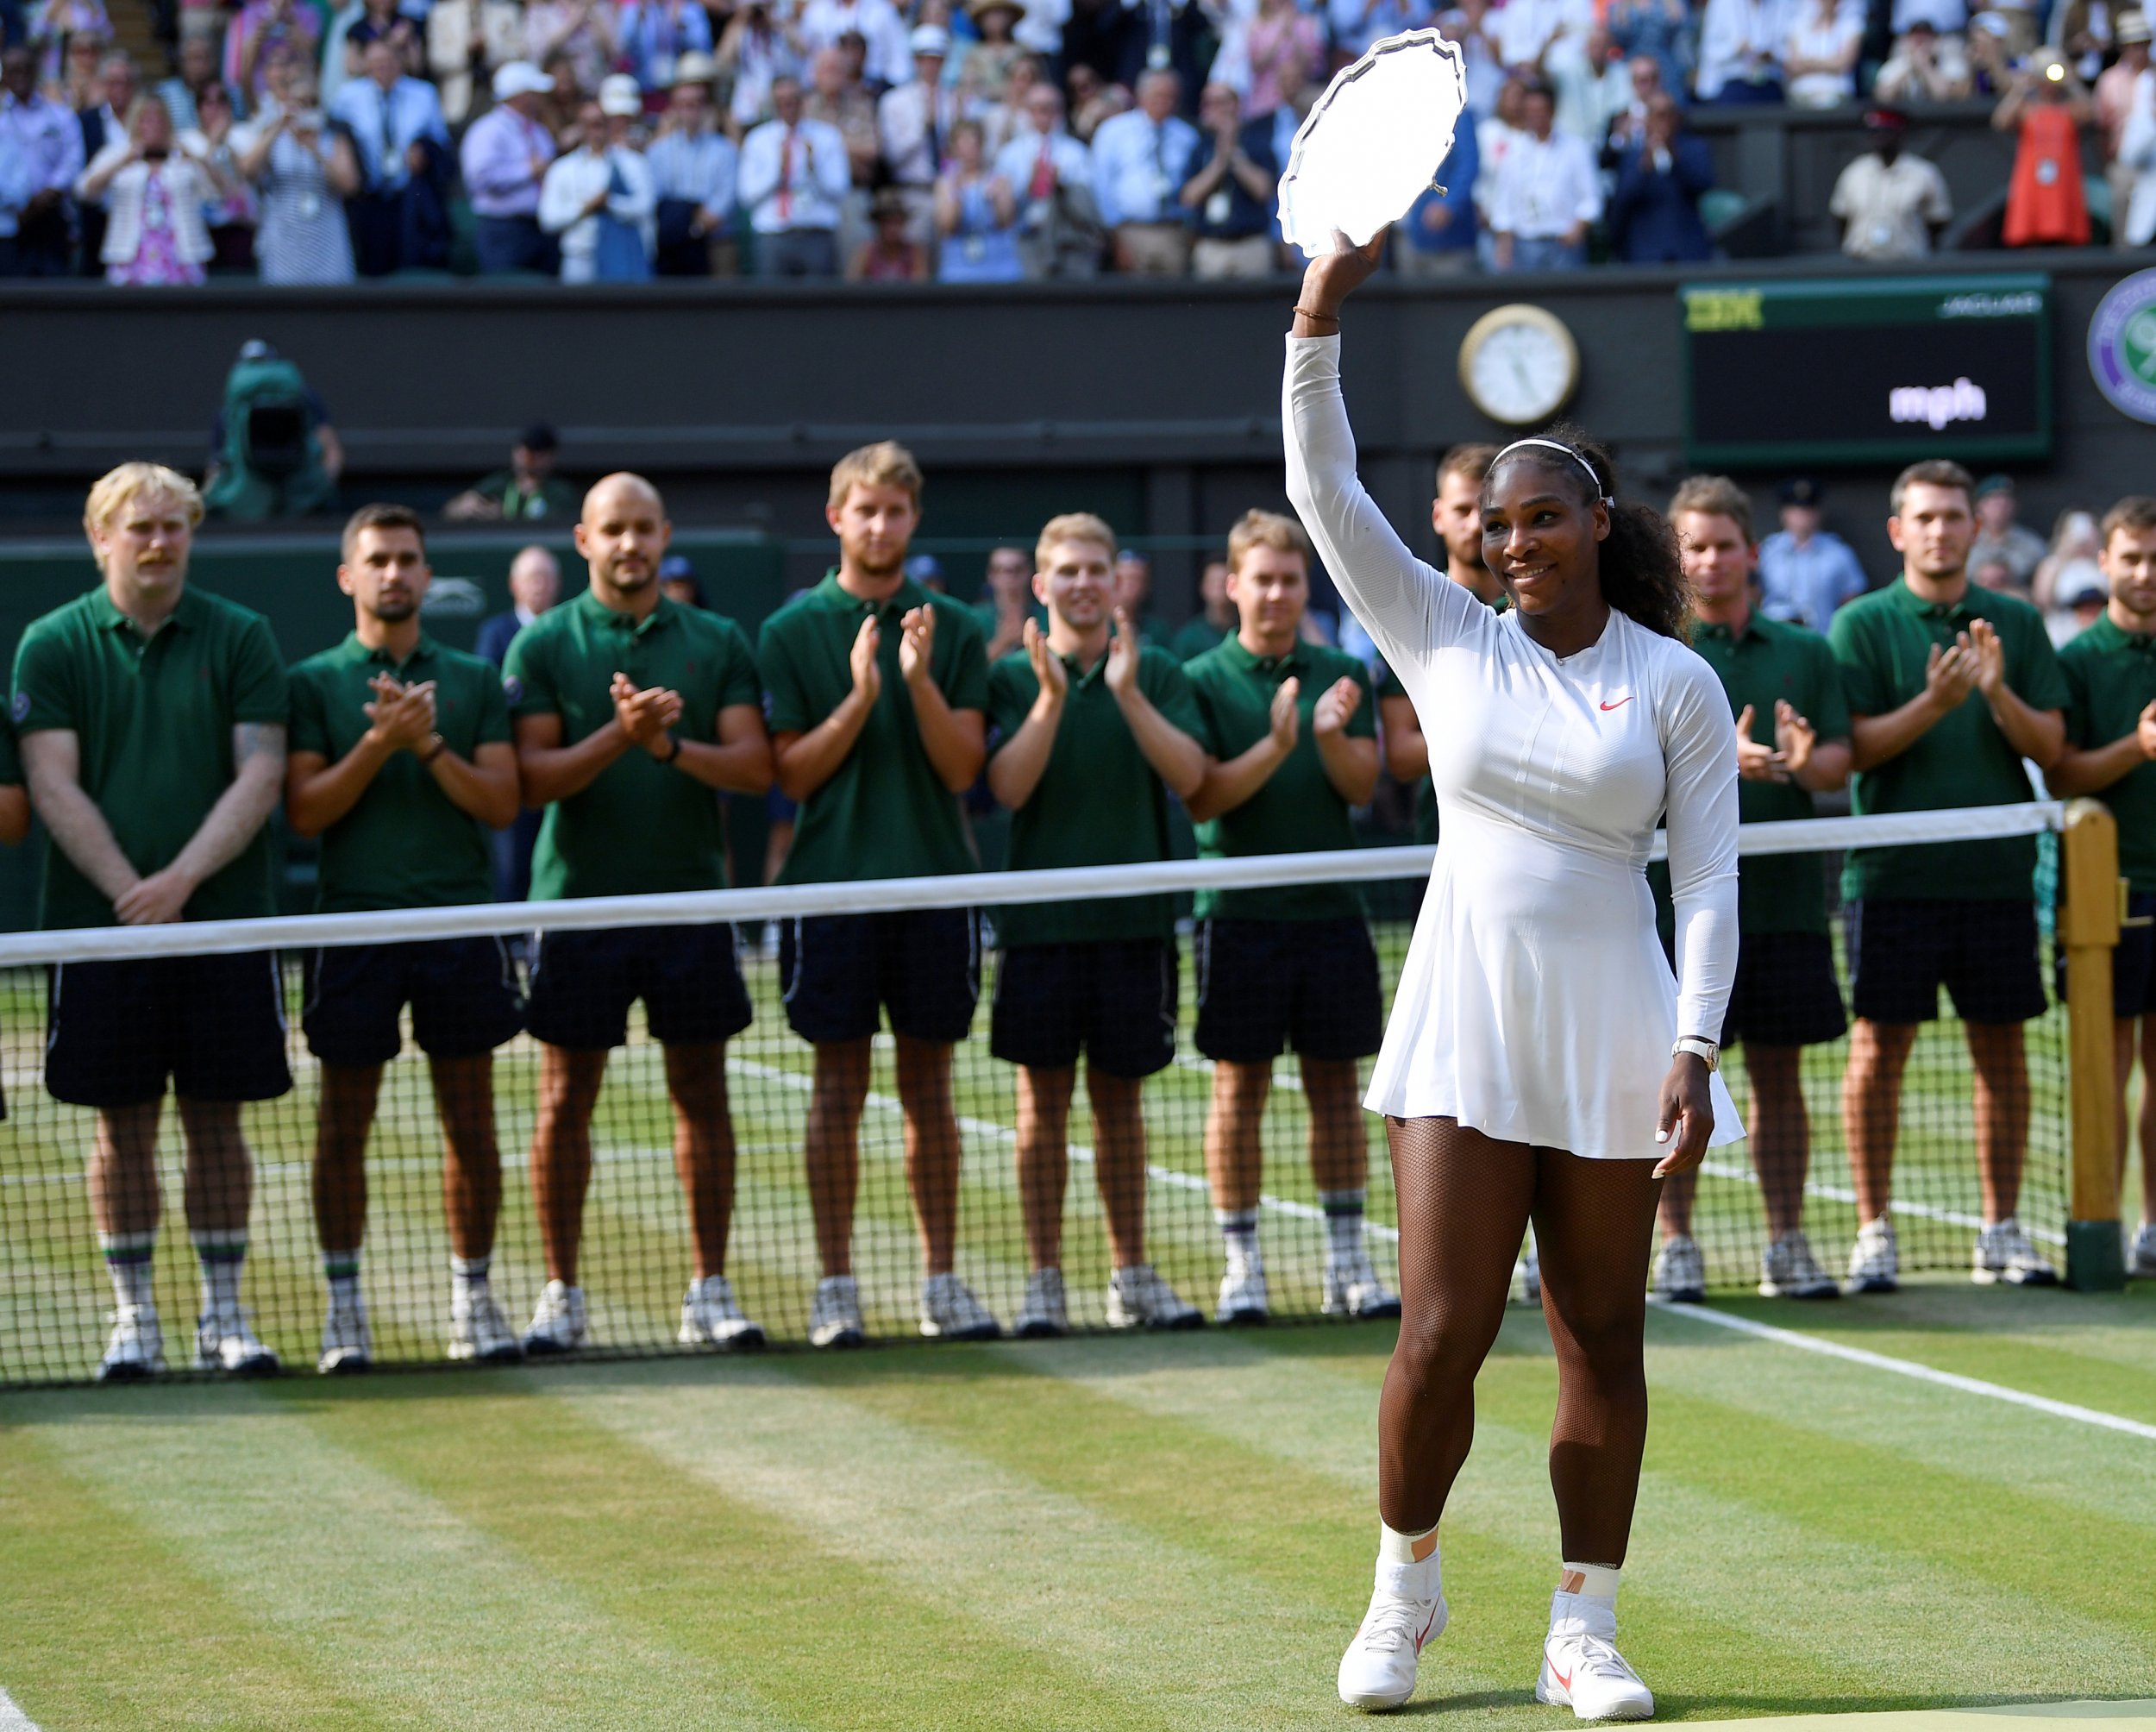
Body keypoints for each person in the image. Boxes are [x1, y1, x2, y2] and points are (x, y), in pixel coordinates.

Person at [1282, 235, 1740, 1721]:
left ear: (1600, 522)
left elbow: (1711, 877)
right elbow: (1323, 495)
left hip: (1615, 1029)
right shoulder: (1441, 634)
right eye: (1496, 523)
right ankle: (1400, 1597)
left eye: (1546, 516)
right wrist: (1318, 316)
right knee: (1440, 1330)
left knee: (1605, 1332)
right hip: (1463, 1021)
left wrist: (1696, 1041)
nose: (1516, 540)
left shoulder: (1676, 681)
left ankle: (1580, 1630)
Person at [14, 462, 292, 1381]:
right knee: (120, 1129)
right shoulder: (51, 646)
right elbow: (51, 781)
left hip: (221, 928)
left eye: (174, 527)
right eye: (140, 529)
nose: (159, 543)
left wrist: (178, 881)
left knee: (219, 1124)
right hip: (98, 936)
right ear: (102, 538)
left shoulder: (243, 635)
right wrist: (131, 889)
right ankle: (134, 1317)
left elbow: (260, 773)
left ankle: (223, 1313)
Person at [505, 473, 774, 1353]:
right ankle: (562, 1292)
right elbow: (530, 781)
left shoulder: (717, 638)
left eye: (644, 529)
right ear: (584, 540)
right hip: (577, 906)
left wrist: (664, 746)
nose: (630, 545)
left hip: (690, 903)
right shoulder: (544, 643)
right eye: (612, 530)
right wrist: (619, 738)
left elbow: (751, 768)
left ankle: (709, 1287)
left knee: (702, 1093)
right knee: (564, 1097)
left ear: (664, 536)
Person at [757, 440, 1000, 1346]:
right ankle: (835, 1285)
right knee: (836, 1091)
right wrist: (860, 697)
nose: (880, 525)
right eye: (865, 510)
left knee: (931, 1093)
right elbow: (792, 772)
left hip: (935, 891)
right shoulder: (789, 630)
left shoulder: (957, 626)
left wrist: (914, 683)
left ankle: (940, 1280)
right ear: (837, 519)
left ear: (912, 520)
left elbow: (962, 766)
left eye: (895, 511)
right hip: (830, 895)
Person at [285, 505, 524, 1372]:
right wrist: (379, 742)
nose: (394, 573)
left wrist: (426, 748)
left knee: (471, 1121)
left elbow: (501, 804)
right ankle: (345, 1307)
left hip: (457, 926)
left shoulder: (469, 677)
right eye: (377, 560)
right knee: (343, 1125)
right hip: (354, 929)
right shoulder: (312, 681)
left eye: (408, 560)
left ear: (428, 576)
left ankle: (474, 1298)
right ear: (349, 576)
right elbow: (305, 810)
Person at [1827, 460, 2067, 1294]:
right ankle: (1873, 1233)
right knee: (1877, 1053)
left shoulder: (2015, 623)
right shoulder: (1859, 625)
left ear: (1976, 528)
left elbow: (2053, 751)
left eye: (1954, 516)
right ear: (1898, 531)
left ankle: (2000, 1230)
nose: (1939, 530)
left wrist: (1996, 693)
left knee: (2004, 1055)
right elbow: (1846, 752)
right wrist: (1932, 704)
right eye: (1923, 517)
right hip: (1891, 880)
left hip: (1997, 878)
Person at [984, 512, 1209, 1335]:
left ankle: (1130, 1274)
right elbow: (1006, 790)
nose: (1083, 583)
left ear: (1118, 583)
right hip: (1038, 932)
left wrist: (1124, 691)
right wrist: (1050, 699)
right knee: (1039, 1111)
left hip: (1134, 928)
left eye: (1096, 570)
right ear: (1040, 586)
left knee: (1122, 1111)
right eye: (1066, 571)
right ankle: (1044, 1280)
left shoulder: (1159, 673)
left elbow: (1190, 775)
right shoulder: (1008, 679)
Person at [1181, 511, 1399, 1327]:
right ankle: (1244, 1265)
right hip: (1237, 916)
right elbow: (1204, 796)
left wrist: (1328, 734)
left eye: (1289, 580)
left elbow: (1360, 787)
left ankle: (1347, 1261)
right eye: (1260, 579)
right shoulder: (1200, 676)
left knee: (1338, 1091)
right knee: (1238, 1092)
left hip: (1330, 912)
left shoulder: (1343, 670)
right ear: (1232, 585)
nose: (1275, 594)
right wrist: (1274, 747)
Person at [1648, 478, 1850, 1305]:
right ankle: (1676, 1246)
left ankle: (1787, 1243)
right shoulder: (1650, 650)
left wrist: (1801, 763)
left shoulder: (1807, 650)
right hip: (1675, 914)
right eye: (1692, 546)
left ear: (1751, 553)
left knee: (1778, 1080)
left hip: (1785, 907)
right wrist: (1716, 762)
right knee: (1670, 1081)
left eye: (1723, 545)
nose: (1709, 560)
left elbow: (1837, 762)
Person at [2046, 496, 2156, 1279]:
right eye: (2133, 559)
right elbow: (2065, 773)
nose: (2146, 574)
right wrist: (2141, 746)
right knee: (2106, 1063)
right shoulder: (2078, 660)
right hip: (2105, 895)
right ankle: (2104, 1222)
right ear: (2107, 564)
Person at [74, 92, 229, 285]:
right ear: (136, 123)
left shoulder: (184, 155)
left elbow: (221, 192)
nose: (153, 127)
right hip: (130, 257)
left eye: (159, 120)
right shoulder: (118, 153)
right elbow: (85, 191)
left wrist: (195, 158)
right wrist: (123, 160)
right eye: (146, 120)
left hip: (181, 257)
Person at [478, 544, 560, 904]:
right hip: (512, 771)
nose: (538, 586)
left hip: (562, 772)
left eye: (544, 578)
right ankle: (513, 943)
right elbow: (490, 697)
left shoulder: (566, 630)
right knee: (513, 862)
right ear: (514, 585)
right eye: (531, 578)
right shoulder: (495, 632)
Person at [331, 36, 448, 276]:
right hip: (368, 197)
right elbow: (335, 140)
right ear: (365, 64)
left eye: (388, 60)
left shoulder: (423, 93)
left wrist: (423, 152)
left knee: (409, 266)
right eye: (375, 61)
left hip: (408, 197)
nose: (382, 67)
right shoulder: (347, 96)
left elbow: (441, 143)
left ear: (400, 62)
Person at [238, 65, 360, 285]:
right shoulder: (273, 137)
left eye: (312, 102)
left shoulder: (332, 138)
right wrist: (279, 125)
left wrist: (315, 150)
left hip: (326, 245)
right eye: (300, 103)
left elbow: (349, 184)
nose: (306, 110)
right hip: (284, 246)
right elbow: (247, 170)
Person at [202, 337, 342, 521]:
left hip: (245, 508)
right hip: (305, 505)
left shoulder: (230, 405)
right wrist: (321, 487)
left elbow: (217, 465)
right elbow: (332, 450)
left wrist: (208, 499)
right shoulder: (305, 397)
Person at [539, 85, 655, 282]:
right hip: (579, 259)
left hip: (623, 257)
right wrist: (585, 208)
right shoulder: (562, 168)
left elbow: (646, 205)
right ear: (580, 127)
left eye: (600, 124)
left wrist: (610, 203)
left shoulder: (632, 163)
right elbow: (548, 219)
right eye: (589, 125)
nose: (595, 131)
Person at [738, 73, 849, 277]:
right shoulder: (757, 140)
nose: (788, 106)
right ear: (773, 104)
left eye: (794, 100)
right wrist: (777, 173)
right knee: (773, 306)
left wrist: (814, 168)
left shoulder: (827, 136)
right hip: (773, 235)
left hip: (816, 233)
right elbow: (746, 195)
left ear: (803, 101)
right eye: (782, 102)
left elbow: (840, 190)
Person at [1090, 67, 1197, 276]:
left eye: (1171, 97)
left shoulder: (1187, 136)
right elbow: (1101, 187)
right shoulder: (1113, 131)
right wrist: (1115, 236)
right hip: (1130, 231)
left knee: (1174, 303)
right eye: (1158, 95)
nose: (1165, 102)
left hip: (1173, 231)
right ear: (1141, 95)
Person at [459, 60, 560, 276]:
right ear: (522, 96)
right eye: (535, 92)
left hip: (540, 228)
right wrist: (526, 171)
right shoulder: (487, 130)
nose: (541, 98)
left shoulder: (539, 131)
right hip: (503, 231)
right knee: (505, 301)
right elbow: (478, 178)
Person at [1487, 79, 1600, 272]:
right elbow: (1503, 202)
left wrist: (1577, 230)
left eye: (1541, 110)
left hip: (1563, 245)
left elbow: (1591, 198)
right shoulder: (1514, 150)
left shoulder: (1576, 148)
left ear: (1552, 111)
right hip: (1524, 245)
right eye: (1530, 111)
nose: (1536, 116)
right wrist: (1504, 244)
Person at [992, 80, 1100, 279]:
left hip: (1069, 242)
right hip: (1026, 239)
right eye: (1037, 109)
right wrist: (1029, 185)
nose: (1044, 116)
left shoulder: (1076, 152)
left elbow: (1089, 208)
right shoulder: (1010, 153)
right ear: (1027, 112)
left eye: (1050, 109)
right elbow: (1001, 212)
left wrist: (1062, 186)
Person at [645, 53, 736, 277]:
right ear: (674, 108)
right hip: (671, 242)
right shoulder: (658, 150)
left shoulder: (724, 149)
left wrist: (695, 228)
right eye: (684, 105)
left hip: (714, 242)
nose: (690, 111)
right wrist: (682, 224)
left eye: (696, 104)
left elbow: (724, 200)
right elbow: (655, 194)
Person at [1179, 80, 1277, 280]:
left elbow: (1263, 190)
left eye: (1218, 102)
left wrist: (1233, 153)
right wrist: (1219, 161)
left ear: (1234, 105)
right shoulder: (1200, 147)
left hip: (1251, 244)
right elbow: (1189, 196)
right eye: (1207, 103)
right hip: (1212, 245)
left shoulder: (1256, 143)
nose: (1211, 109)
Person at [0, 43, 84, 275]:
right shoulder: (1, 118)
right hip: (7, 221)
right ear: (4, 74)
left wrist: (46, 195)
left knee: (54, 295)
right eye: (13, 70)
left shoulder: (60, 115)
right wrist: (15, 201)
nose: (20, 76)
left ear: (36, 71)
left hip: (52, 215)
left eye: (26, 69)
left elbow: (73, 160)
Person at [1829, 107, 1952, 260]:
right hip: (1861, 264)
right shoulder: (1854, 172)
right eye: (1874, 132)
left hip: (1908, 263)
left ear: (1900, 133)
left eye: (1885, 132)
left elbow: (1937, 222)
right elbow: (1841, 218)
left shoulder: (1924, 172)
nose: (1879, 137)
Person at [1996, 56, 2094, 247]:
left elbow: (2091, 113)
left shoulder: (2068, 109)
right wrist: (2021, 88)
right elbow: (2001, 120)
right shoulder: (2028, 109)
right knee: (2030, 228)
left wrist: (2072, 83)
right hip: (2033, 179)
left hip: (2063, 179)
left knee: (2065, 228)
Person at [1607, 90, 1713, 263]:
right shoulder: (1632, 156)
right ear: (1647, 120)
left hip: (1687, 251)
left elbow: (1703, 183)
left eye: (1667, 115)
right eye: (1656, 115)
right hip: (1645, 254)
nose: (1663, 122)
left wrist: (1673, 156)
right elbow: (1623, 200)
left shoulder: (1694, 148)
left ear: (1676, 118)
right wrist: (1644, 166)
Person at [1757, 478, 1870, 628]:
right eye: (1796, 509)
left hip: (1822, 640)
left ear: (1819, 513)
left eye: (1808, 509)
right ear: (1784, 513)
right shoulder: (1767, 551)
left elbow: (1852, 602)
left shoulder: (1838, 552)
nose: (1803, 516)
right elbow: (1752, 597)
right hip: (1775, 641)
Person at [933, 115, 1021, 279]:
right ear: (954, 148)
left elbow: (1006, 222)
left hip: (997, 264)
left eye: (974, 143)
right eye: (964, 143)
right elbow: (947, 227)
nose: (969, 150)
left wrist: (995, 200)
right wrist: (956, 195)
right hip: (958, 266)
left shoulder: (1000, 180)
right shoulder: (945, 183)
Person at [445, 424, 577, 524]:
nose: (527, 457)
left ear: (550, 456)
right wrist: (464, 506)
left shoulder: (559, 493)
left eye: (537, 453)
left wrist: (502, 518)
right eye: (524, 450)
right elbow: (450, 511)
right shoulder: (500, 483)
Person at [1695, 0, 1789, 100]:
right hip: (1733, 82)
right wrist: (1735, 49)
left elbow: (1792, 48)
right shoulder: (1721, 3)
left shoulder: (1782, 4)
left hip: (1770, 82)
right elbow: (1709, 50)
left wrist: (1772, 55)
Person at [1969, 474, 2047, 591]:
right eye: (1994, 500)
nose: (2001, 506)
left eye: (2006, 500)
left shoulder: (2032, 544)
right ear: (1979, 505)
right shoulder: (1966, 540)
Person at [1873, 17, 1973, 100]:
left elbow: (1945, 96)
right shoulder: (1898, 63)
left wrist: (1925, 68)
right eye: (1916, 39)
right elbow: (1883, 97)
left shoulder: (1949, 61)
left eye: (1926, 38)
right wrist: (1910, 68)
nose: (1921, 43)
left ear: (1936, 40)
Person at [1783, 0, 1862, 105]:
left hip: (1837, 94)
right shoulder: (1799, 25)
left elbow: (1844, 64)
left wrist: (1808, 62)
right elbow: (1792, 66)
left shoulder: (1850, 26)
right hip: (1802, 95)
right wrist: (1829, 63)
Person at [974, 542, 1040, 660]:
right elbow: (968, 670)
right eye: (1002, 570)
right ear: (991, 575)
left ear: (1030, 572)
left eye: (1017, 570)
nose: (1010, 578)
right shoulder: (975, 618)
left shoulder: (1047, 614)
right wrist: (1003, 641)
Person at [854, 180, 931, 277]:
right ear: (878, 223)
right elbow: (852, 286)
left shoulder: (915, 253)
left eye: (896, 222)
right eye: (886, 222)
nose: (892, 228)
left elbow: (921, 287)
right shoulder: (867, 252)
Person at [1172, 557, 1237, 662]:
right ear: (1203, 587)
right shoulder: (1188, 638)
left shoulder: (1245, 633)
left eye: (1224, 582)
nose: (1218, 588)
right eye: (1213, 582)